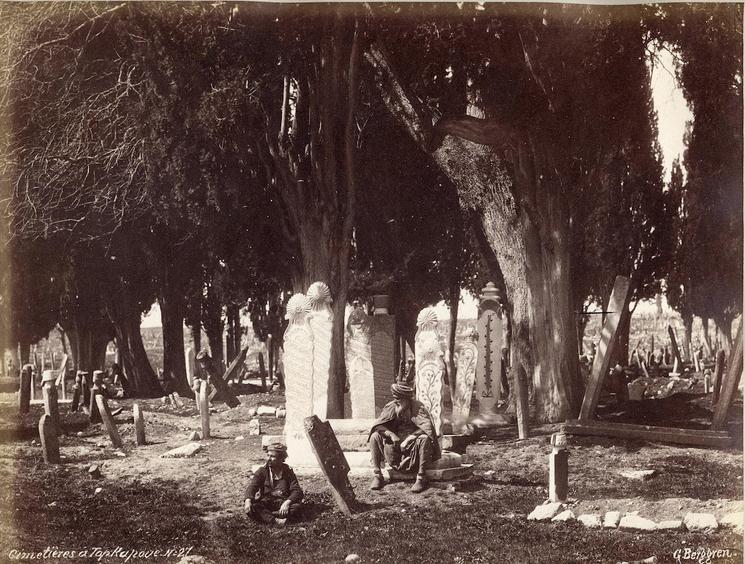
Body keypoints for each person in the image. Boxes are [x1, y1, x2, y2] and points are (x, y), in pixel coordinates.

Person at [368, 360, 441, 493]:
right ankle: (378, 475)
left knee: (424, 439)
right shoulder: (392, 407)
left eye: (399, 399)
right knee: (375, 436)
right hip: (394, 448)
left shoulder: (418, 407)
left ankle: (421, 477)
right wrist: (391, 434)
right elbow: (378, 426)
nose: (396, 402)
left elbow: (427, 428)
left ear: (407, 399)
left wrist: (409, 439)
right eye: (395, 398)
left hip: (412, 448)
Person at [244, 443, 303, 525]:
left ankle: (267, 516)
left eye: (272, 456)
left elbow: (297, 491)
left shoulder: (287, 471)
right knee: (254, 506)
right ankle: (276, 520)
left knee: (297, 507)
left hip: (282, 502)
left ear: (281, 458)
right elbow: (252, 486)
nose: (268, 459)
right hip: (267, 502)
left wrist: (286, 503)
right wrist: (248, 500)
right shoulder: (262, 471)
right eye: (268, 455)